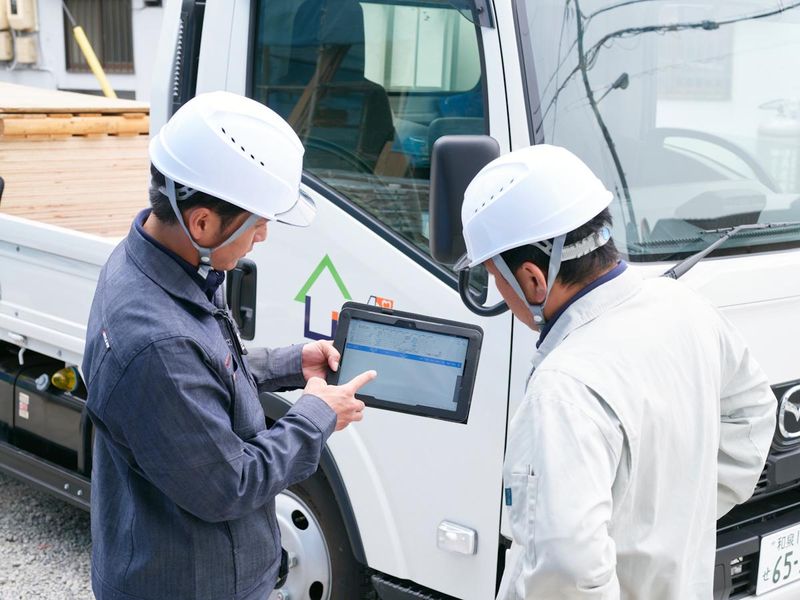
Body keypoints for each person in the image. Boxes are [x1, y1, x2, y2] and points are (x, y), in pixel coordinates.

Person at [82, 91, 375, 600]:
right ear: (202, 222)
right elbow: (231, 484)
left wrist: (292, 362)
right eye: (257, 223)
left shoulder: (158, 263)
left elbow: (202, 370)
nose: (262, 237)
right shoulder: (156, 342)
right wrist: (316, 415)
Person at [454, 145, 776, 599]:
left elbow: (566, 570)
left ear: (532, 279)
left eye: (494, 276)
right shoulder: (686, 307)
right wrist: (666, 522)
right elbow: (753, 418)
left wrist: (630, 531)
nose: (500, 294)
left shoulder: (563, 390)